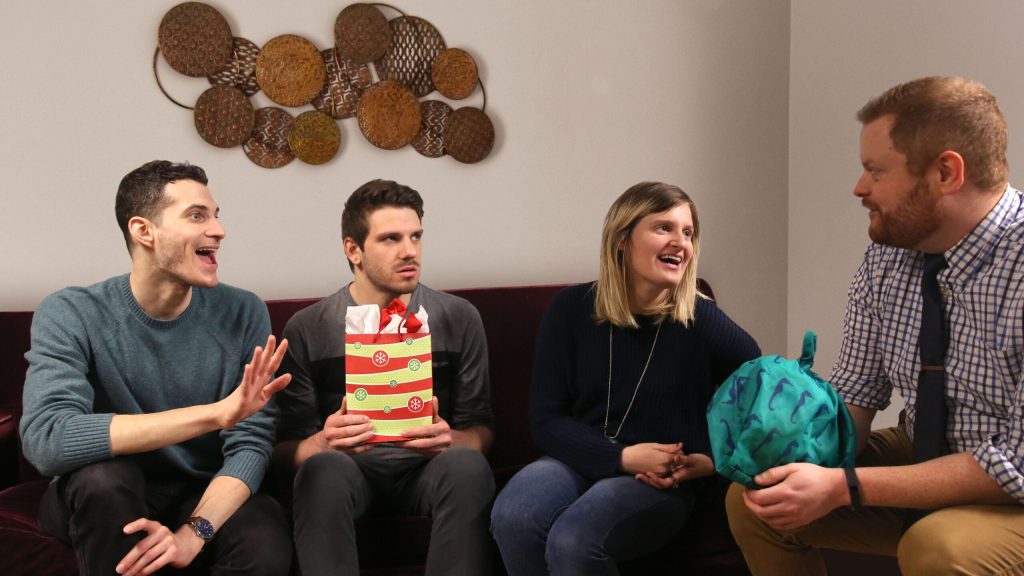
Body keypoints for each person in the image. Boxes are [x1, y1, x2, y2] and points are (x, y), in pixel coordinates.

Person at [726, 76, 1024, 575]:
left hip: (1012, 486)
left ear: (947, 173)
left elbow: (1017, 462)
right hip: (931, 448)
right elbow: (857, 392)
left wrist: (845, 487)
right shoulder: (888, 257)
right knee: (758, 499)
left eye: (875, 171)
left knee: (939, 547)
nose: (859, 188)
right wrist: (790, 448)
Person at [20, 160, 293, 576]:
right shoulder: (71, 312)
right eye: (197, 215)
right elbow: (48, 439)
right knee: (104, 482)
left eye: (216, 215)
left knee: (263, 530)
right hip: (104, 491)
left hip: (199, 493)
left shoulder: (243, 311)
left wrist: (194, 533)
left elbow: (249, 446)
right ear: (143, 231)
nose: (219, 230)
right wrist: (215, 414)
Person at [490, 181, 761, 575]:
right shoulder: (570, 309)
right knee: (515, 515)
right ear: (622, 239)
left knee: (574, 539)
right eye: (663, 227)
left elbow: (766, 402)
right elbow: (546, 420)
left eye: (687, 232)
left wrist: (713, 460)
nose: (680, 242)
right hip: (576, 458)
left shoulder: (701, 319)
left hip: (663, 477)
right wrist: (620, 457)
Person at [273, 179, 495, 576]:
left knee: (467, 465)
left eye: (415, 237)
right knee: (321, 469)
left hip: (428, 472)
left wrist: (453, 439)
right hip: (349, 474)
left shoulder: (459, 317)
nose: (410, 251)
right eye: (391, 239)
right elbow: (286, 449)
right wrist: (323, 441)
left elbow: (482, 429)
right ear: (353, 250)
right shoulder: (309, 328)